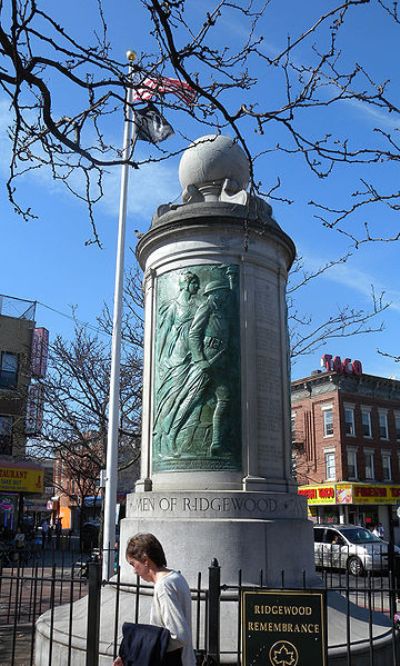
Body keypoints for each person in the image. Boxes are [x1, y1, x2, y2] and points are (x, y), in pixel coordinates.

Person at [113, 533, 195, 666]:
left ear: (145, 560)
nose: (134, 571)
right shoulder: (175, 577)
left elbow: (179, 636)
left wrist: (137, 650)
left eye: (133, 564)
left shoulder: (164, 586)